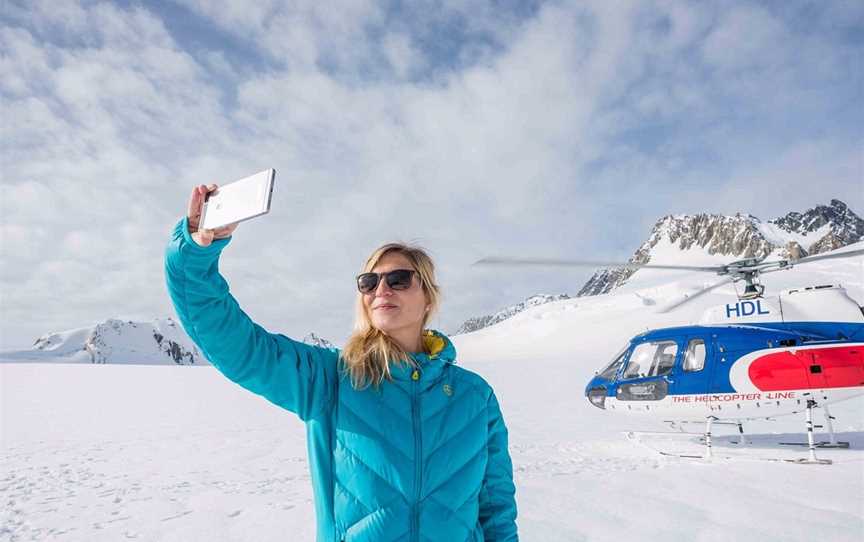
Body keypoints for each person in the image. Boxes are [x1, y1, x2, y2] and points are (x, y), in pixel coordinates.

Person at [164, 183, 519, 541]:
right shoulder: (331, 379)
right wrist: (194, 253)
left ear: (428, 296)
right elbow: (237, 345)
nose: (382, 290)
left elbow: (496, 510)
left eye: (399, 279)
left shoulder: (475, 396)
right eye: (370, 282)